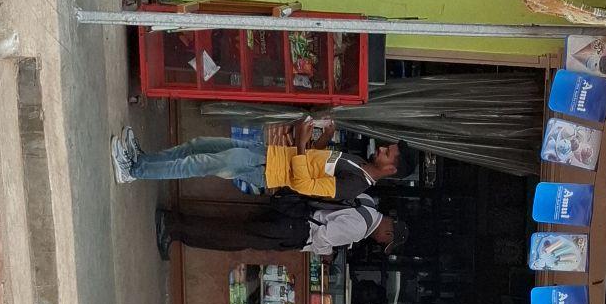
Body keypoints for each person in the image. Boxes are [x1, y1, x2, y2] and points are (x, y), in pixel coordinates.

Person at [112, 121, 411, 200]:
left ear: (391, 169)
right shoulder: (358, 161)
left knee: (199, 162)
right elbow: (315, 162)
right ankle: (144, 159)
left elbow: (304, 185)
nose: (382, 149)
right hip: (267, 153)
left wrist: (301, 141)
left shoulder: (354, 186)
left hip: (265, 170)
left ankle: (134, 170)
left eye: (388, 153)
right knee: (198, 145)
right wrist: (323, 137)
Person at [155, 192, 406, 262]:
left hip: (294, 212)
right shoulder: (359, 229)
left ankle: (176, 227)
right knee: (233, 236)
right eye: (386, 242)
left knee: (235, 230)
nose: (381, 243)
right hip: (296, 230)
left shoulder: (367, 201)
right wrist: (326, 252)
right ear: (388, 233)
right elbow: (323, 236)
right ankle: (173, 226)